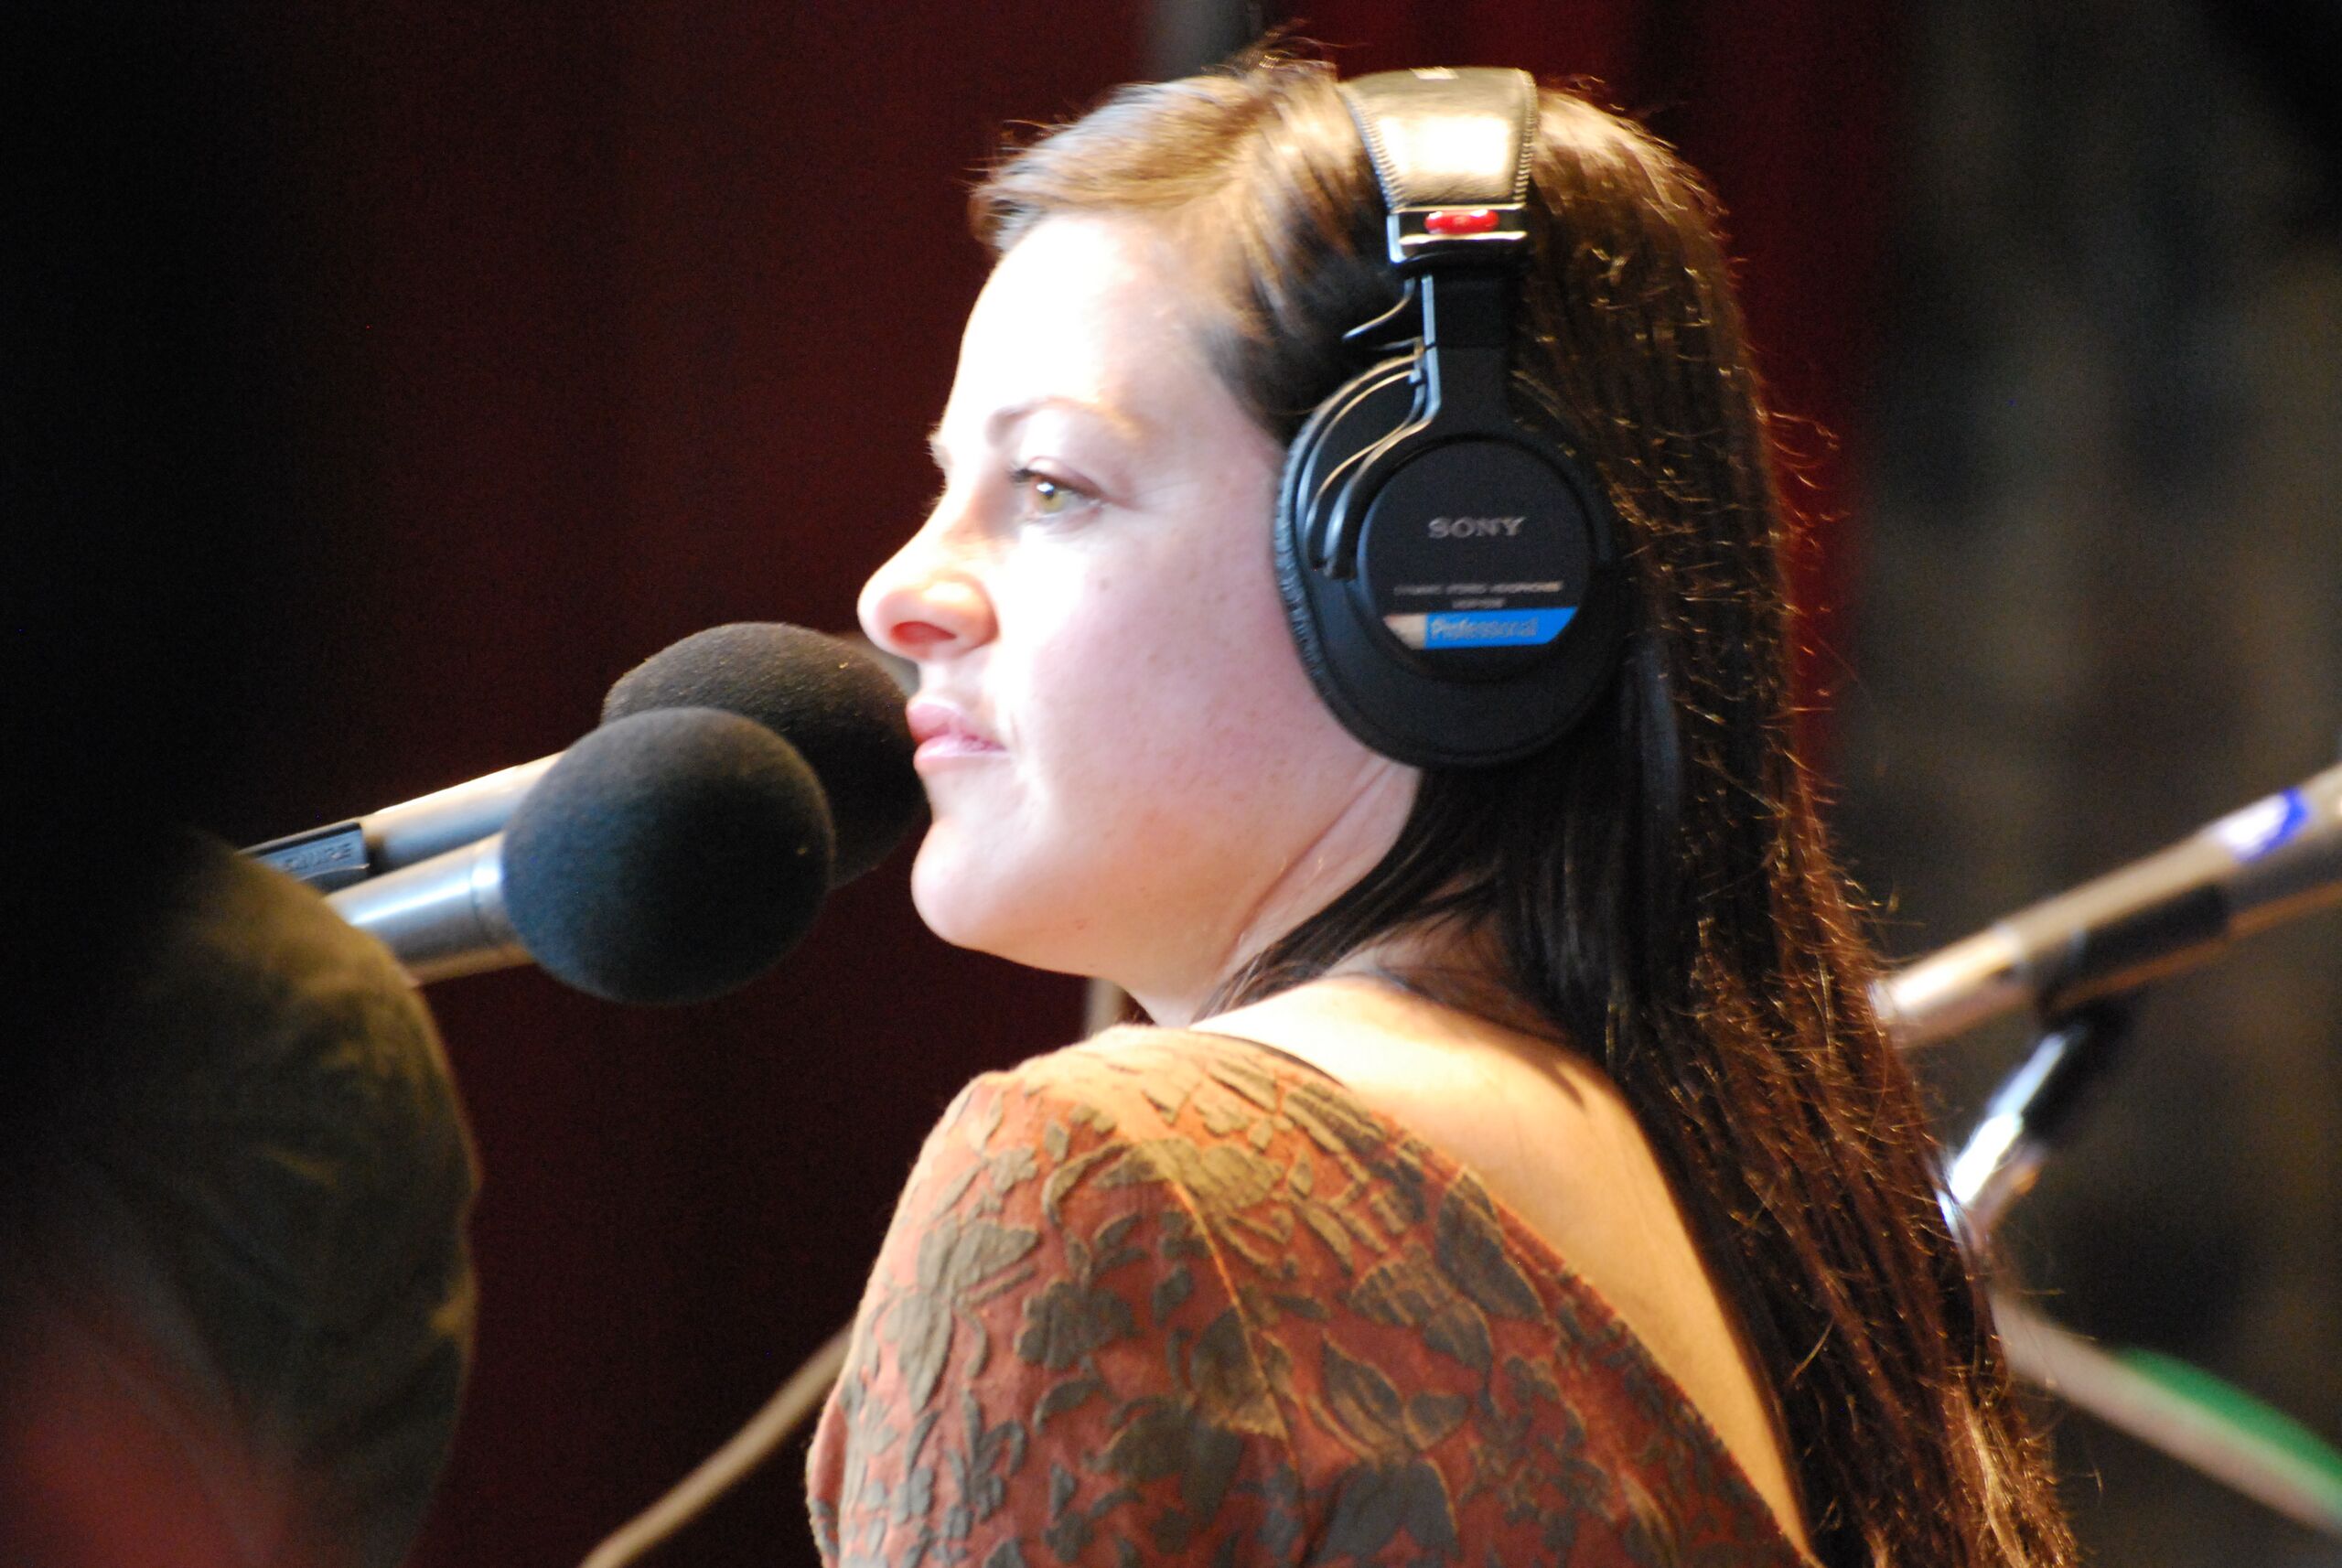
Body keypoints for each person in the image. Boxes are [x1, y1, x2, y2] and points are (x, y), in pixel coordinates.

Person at [809, 54, 2076, 1568]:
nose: (900, 593)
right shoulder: (1796, 1220)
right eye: (951, 485)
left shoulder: (1109, 1181)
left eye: (1051, 487)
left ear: (1433, 552)